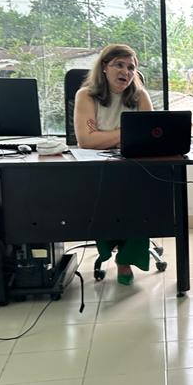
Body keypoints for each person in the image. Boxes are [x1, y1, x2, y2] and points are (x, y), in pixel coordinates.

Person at [73, 43, 154, 285]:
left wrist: (106, 136)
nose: (126, 72)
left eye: (131, 68)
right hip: (99, 170)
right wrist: (129, 132)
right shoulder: (86, 96)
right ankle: (108, 249)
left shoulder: (140, 96)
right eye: (119, 65)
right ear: (104, 67)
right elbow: (87, 140)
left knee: (142, 202)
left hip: (135, 168)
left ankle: (125, 259)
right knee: (103, 201)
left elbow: (150, 136)